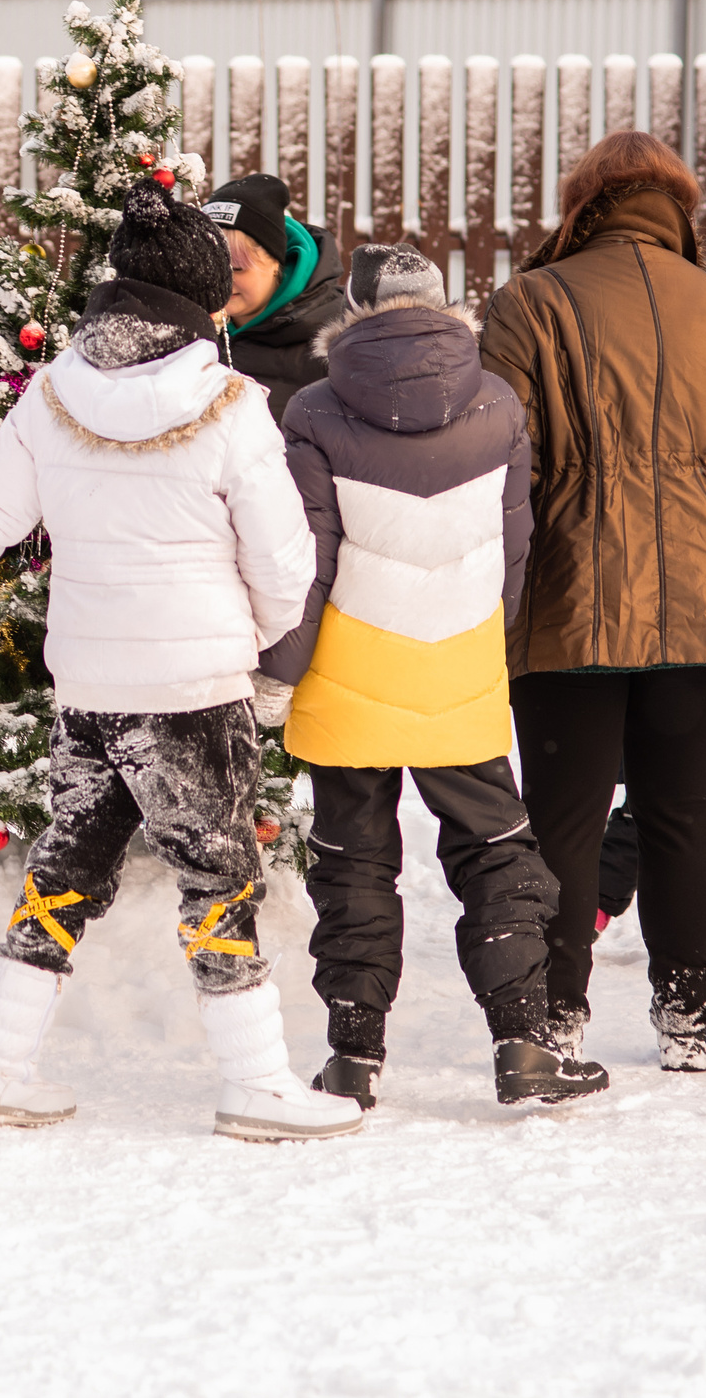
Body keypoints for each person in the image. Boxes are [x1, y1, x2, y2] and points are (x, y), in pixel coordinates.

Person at [0, 180, 354, 1143]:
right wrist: (251, 639)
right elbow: (286, 558)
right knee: (219, 874)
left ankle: (1, 1069)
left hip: (88, 688)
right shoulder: (231, 403)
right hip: (196, 691)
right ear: (198, 302)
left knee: (64, 866)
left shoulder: (52, 396)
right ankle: (257, 1081)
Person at [257, 243, 609, 1108]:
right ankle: (524, 1041)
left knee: (353, 858)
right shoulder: (498, 402)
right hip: (460, 651)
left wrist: (279, 674)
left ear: (357, 310)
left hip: (349, 664)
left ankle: (352, 1056)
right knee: (495, 850)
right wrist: (490, 631)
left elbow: (310, 560)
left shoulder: (313, 408)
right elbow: (514, 547)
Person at [478, 130, 706, 1073]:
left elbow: (506, 459)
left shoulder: (531, 300)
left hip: (573, 596)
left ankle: (555, 1013)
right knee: (685, 809)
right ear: (679, 208)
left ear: (583, 203)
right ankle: (692, 1015)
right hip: (704, 593)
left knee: (564, 814)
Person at [202, 173, 344, 421]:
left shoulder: (336, 344)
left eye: (237, 268)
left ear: (277, 264)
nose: (219, 281)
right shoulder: (192, 331)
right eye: (208, 267)